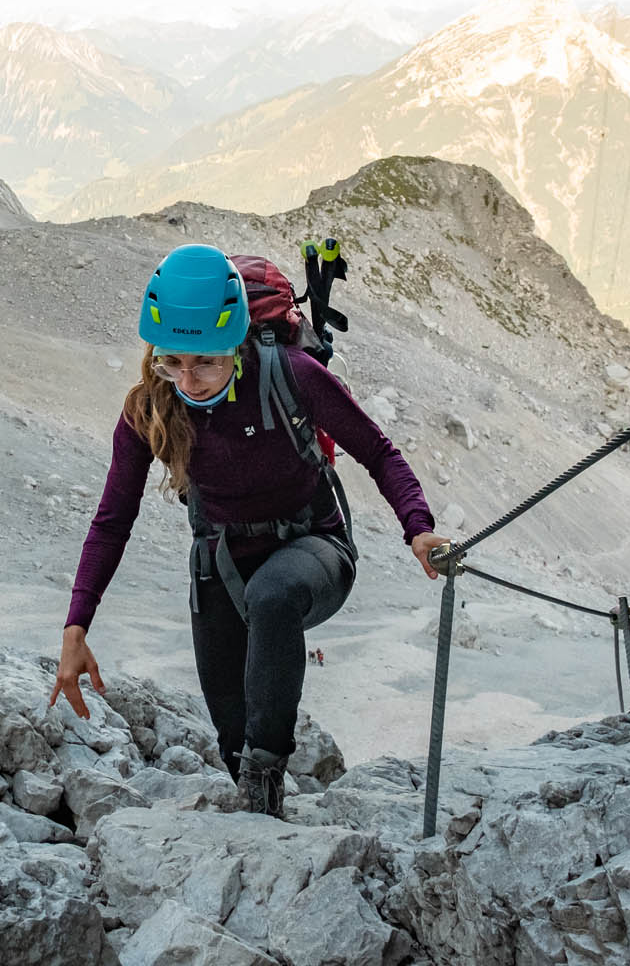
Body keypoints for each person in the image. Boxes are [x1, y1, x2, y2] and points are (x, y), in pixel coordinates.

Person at [48, 244, 448, 818]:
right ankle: (262, 807)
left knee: (274, 597)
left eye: (206, 361)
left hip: (314, 547)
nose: (189, 378)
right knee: (234, 735)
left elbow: (377, 452)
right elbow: (113, 519)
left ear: (235, 341)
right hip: (221, 564)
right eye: (172, 361)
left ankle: (263, 800)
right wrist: (76, 625)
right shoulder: (148, 408)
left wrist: (419, 528)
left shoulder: (292, 374)